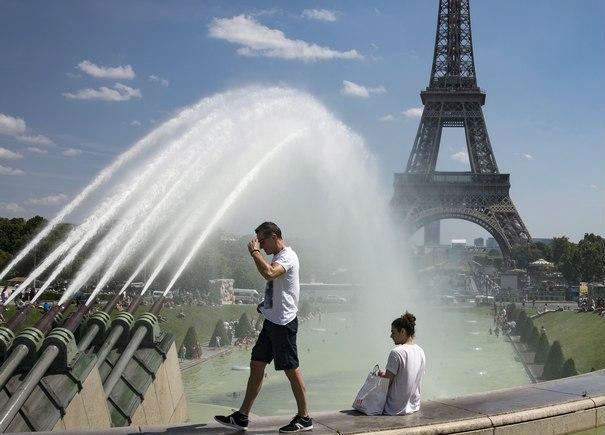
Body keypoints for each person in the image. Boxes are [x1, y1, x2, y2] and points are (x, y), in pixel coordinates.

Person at [215, 222, 312, 433]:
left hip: (284, 324)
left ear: (275, 236)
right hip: (272, 322)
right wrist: (266, 305)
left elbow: (269, 274)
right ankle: (242, 416)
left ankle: (304, 417)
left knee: (291, 369)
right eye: (258, 241)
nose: (260, 244)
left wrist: (255, 253)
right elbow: (278, 287)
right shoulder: (278, 257)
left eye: (262, 240)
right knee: (257, 364)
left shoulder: (287, 256)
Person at [378, 312, 425, 415]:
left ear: (402, 331)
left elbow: (386, 381)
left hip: (394, 408)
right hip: (414, 406)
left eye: (393, 332)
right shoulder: (420, 351)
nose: (391, 336)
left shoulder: (397, 352)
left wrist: (381, 373)